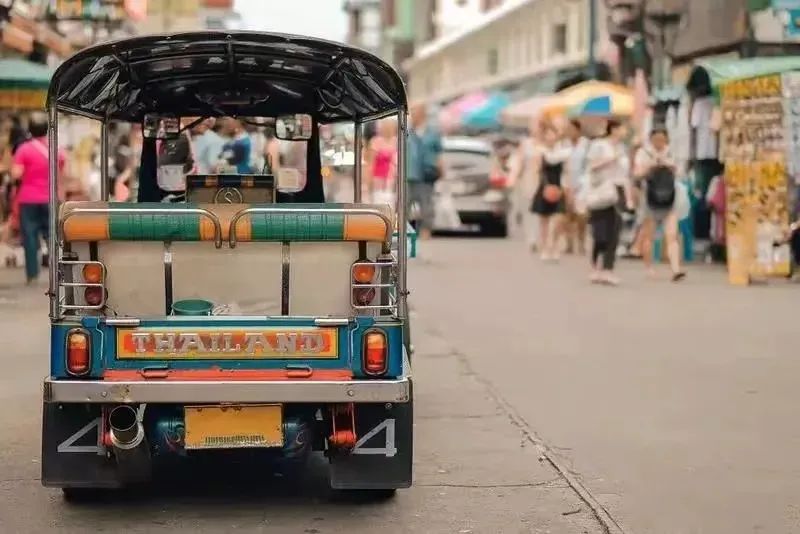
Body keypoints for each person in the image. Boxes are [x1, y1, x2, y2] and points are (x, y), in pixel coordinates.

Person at [10, 114, 65, 284]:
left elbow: (16, 174)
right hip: (49, 198)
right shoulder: (57, 149)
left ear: (30, 130)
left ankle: (32, 275)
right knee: (52, 236)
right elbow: (62, 173)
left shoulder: (23, 150)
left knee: (30, 237)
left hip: (28, 199)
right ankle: (57, 273)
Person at [633, 127, 686, 281]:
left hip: (670, 198)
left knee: (672, 235)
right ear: (651, 140)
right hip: (650, 199)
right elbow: (637, 174)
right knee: (649, 236)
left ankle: (676, 269)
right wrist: (650, 166)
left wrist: (669, 165)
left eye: (662, 140)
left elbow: (680, 172)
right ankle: (649, 267)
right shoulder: (643, 153)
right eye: (656, 140)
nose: (659, 143)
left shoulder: (671, 153)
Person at [585, 121, 631, 285]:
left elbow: (625, 175)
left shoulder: (622, 148)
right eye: (623, 128)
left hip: (617, 191)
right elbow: (591, 166)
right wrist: (610, 159)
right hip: (601, 191)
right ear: (614, 129)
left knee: (615, 230)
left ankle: (608, 269)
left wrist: (629, 197)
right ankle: (595, 266)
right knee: (600, 232)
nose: (625, 131)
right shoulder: (599, 145)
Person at [530, 124, 569, 261]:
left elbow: (566, 170)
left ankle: (554, 245)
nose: (551, 137)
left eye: (553, 134)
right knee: (544, 221)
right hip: (545, 186)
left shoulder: (562, 152)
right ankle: (545, 248)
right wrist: (544, 186)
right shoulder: (540, 151)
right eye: (548, 134)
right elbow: (538, 171)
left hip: (559, 186)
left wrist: (566, 186)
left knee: (558, 218)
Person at [406, 103, 442, 239]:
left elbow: (439, 153)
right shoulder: (406, 131)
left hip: (427, 173)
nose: (413, 115)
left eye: (416, 112)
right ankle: (405, 230)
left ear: (423, 114)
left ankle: (426, 230)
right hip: (409, 173)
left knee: (426, 203)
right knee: (405, 204)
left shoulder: (433, 133)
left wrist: (440, 169)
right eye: (412, 113)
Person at [509, 116, 542, 250]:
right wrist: (514, 177)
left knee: (543, 210)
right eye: (533, 126)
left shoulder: (548, 143)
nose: (535, 129)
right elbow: (520, 163)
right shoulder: (526, 144)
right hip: (529, 179)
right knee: (530, 210)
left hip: (543, 179)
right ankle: (532, 238)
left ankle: (542, 238)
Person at [563, 119, 590, 255]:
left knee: (582, 216)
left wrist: (581, 184)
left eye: (572, 129)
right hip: (567, 183)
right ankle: (569, 243)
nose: (570, 132)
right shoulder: (564, 145)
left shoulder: (585, 145)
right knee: (567, 215)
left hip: (582, 184)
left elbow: (588, 166)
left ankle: (581, 242)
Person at [365, 117, 397, 205]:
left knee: (392, 206)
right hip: (377, 181)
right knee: (378, 204)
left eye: (390, 127)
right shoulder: (375, 141)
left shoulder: (397, 141)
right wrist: (368, 182)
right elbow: (370, 163)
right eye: (386, 126)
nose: (388, 129)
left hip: (393, 180)